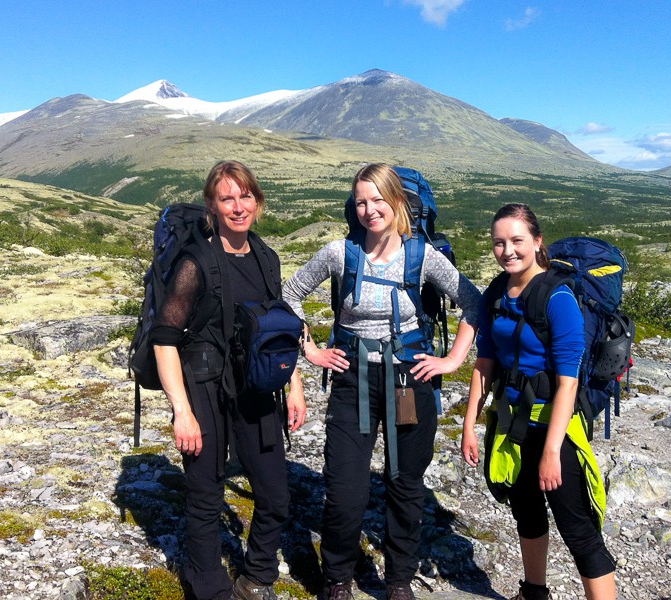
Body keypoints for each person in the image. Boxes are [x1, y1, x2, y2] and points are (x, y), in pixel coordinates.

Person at [282, 163, 482, 600]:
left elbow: (474, 304)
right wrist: (311, 350)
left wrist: (451, 361)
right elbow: (289, 294)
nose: (370, 210)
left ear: (397, 202)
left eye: (378, 200)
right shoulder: (340, 253)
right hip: (352, 380)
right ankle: (336, 580)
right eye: (361, 202)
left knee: (405, 484)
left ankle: (398, 581)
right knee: (344, 488)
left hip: (408, 380)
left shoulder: (423, 256)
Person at [151, 160, 306, 600]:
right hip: (203, 385)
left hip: (255, 386)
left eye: (245, 196)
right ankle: (209, 589)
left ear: (257, 201)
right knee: (205, 496)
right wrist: (182, 412)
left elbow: (275, 327)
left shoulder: (265, 257)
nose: (238, 207)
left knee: (275, 495)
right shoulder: (195, 263)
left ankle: (256, 579)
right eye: (227, 198)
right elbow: (165, 340)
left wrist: (293, 384)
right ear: (212, 205)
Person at [460, 203, 616, 600]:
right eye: (499, 242)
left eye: (517, 241)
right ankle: (533, 592)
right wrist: (469, 426)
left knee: (577, 527)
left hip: (556, 428)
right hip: (512, 424)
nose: (507, 250)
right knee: (527, 513)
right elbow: (485, 362)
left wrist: (551, 451)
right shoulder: (496, 292)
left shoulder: (558, 299)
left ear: (537, 242)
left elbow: (567, 384)